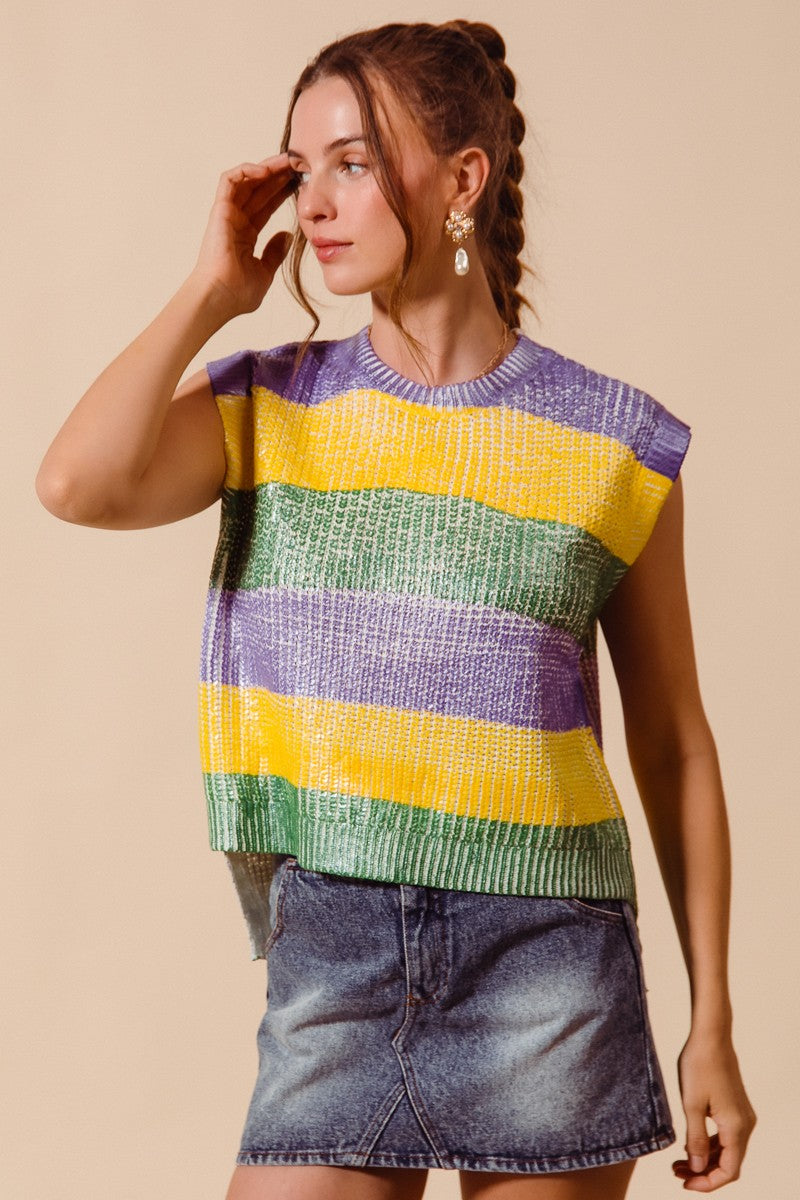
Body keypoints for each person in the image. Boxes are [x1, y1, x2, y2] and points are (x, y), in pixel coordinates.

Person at [36, 19, 755, 1200]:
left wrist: (710, 1021)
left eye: (354, 163)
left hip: (546, 969)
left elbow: (674, 744)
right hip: (337, 959)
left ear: (462, 180)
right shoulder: (266, 407)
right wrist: (211, 293)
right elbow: (77, 485)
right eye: (301, 166)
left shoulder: (613, 445)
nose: (314, 202)